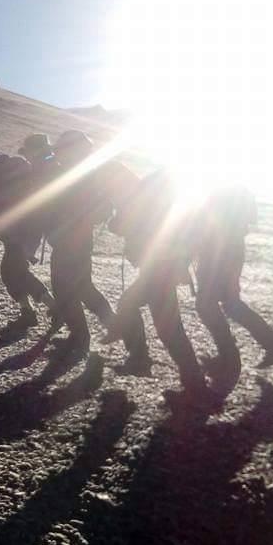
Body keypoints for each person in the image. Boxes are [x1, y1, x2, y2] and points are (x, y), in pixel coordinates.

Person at [19, 131, 146, 360]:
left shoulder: (80, 173)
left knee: (65, 289)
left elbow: (93, 207)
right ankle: (118, 331)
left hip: (71, 240)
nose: (59, 153)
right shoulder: (84, 171)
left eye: (63, 149)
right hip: (76, 239)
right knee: (83, 286)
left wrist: (69, 221)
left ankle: (83, 338)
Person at [103, 170, 214, 404]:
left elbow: (118, 225)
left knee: (167, 327)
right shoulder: (176, 206)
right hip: (162, 271)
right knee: (163, 324)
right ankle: (186, 380)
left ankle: (189, 383)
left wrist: (123, 206)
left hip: (157, 272)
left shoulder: (149, 205)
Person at [192, 185, 273, 394]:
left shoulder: (222, 192)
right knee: (227, 304)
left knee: (209, 305)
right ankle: (269, 345)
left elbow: (207, 221)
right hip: (224, 252)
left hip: (220, 255)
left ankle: (230, 358)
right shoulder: (230, 191)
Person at [0, 147, 57, 330]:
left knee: (14, 272)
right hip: (31, 228)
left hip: (18, 233)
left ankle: (53, 308)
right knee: (15, 271)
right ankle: (31, 312)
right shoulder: (14, 167)